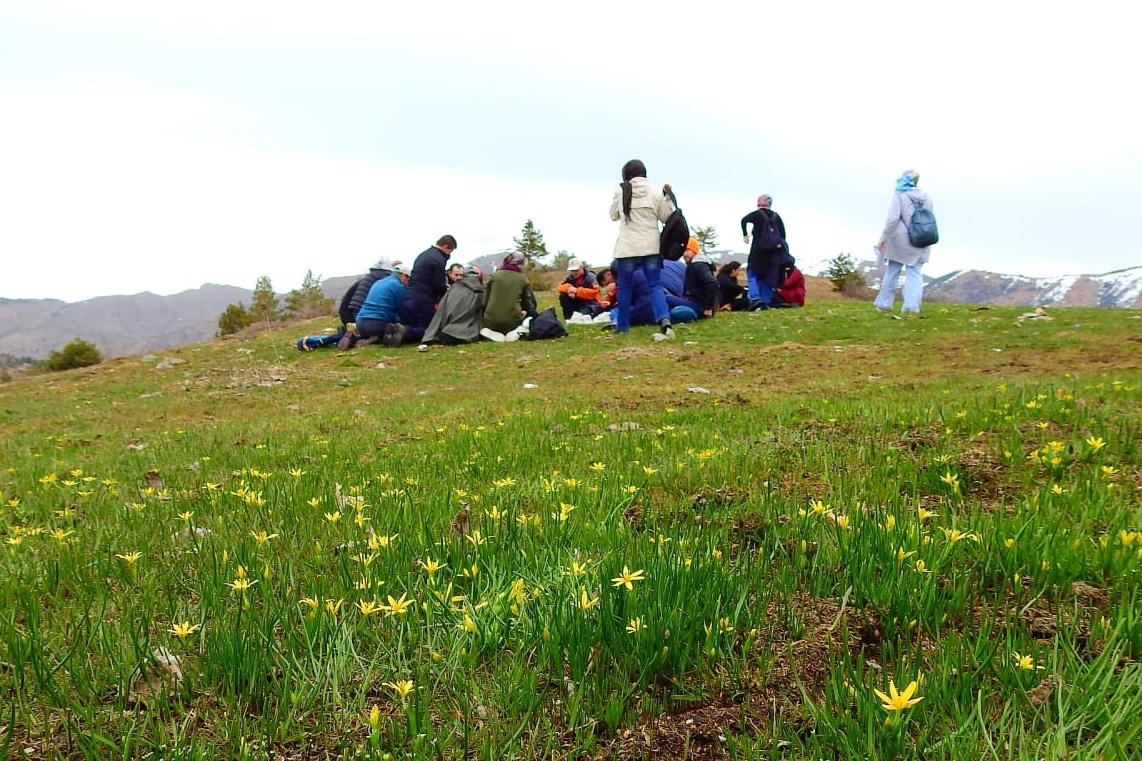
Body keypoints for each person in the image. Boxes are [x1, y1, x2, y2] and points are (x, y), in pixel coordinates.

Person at [610, 159, 676, 340]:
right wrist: (667, 197)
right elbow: (666, 217)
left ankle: (622, 325)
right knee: (654, 285)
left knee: (624, 287)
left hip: (627, 247)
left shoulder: (620, 191)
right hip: (651, 246)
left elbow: (613, 215)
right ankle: (664, 320)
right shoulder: (656, 192)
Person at [874, 170, 932, 314]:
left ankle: (884, 304)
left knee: (893, 271)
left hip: (900, 240)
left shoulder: (899, 195)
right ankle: (911, 307)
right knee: (915, 273)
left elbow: (892, 219)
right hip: (921, 238)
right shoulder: (926, 197)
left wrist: (883, 238)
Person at [403, 235, 458, 343]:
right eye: (450, 251)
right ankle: (404, 331)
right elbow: (439, 282)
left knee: (414, 326)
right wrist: (445, 295)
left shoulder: (423, 255)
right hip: (423, 300)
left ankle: (401, 332)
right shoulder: (439, 259)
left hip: (409, 297)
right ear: (445, 246)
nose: (449, 254)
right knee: (431, 330)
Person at [338, 259, 399, 350]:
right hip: (366, 313)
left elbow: (346, 301)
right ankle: (373, 338)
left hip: (352, 314)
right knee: (388, 328)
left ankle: (352, 336)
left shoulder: (365, 279)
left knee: (362, 328)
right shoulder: (387, 280)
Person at [420, 265, 485, 350]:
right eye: (456, 274)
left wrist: (429, 336)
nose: (458, 277)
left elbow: (441, 312)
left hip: (447, 331)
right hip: (469, 332)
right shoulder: (480, 291)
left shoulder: (454, 288)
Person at [740, 194, 787, 310]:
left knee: (752, 274)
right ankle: (765, 303)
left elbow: (744, 220)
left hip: (758, 251)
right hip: (772, 253)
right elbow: (783, 235)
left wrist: (745, 234)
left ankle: (755, 299)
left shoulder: (757, 214)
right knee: (767, 278)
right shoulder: (776, 216)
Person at [481, 251, 538, 342]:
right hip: (513, 322)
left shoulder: (494, 276)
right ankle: (515, 332)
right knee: (531, 315)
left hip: (490, 321)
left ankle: (491, 331)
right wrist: (525, 312)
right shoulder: (522, 279)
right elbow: (527, 303)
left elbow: (484, 301)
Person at [355, 263, 412, 347]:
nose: (407, 283)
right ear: (404, 276)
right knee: (393, 330)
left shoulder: (378, 282)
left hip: (360, 323)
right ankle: (376, 338)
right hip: (378, 324)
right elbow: (402, 311)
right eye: (408, 279)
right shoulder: (398, 286)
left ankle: (355, 338)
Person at [682, 237, 719, 318]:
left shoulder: (698, 265)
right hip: (697, 303)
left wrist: (708, 308)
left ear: (694, 250)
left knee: (667, 299)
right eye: (683, 251)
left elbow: (712, 283)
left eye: (687, 250)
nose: (684, 254)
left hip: (698, 305)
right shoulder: (695, 264)